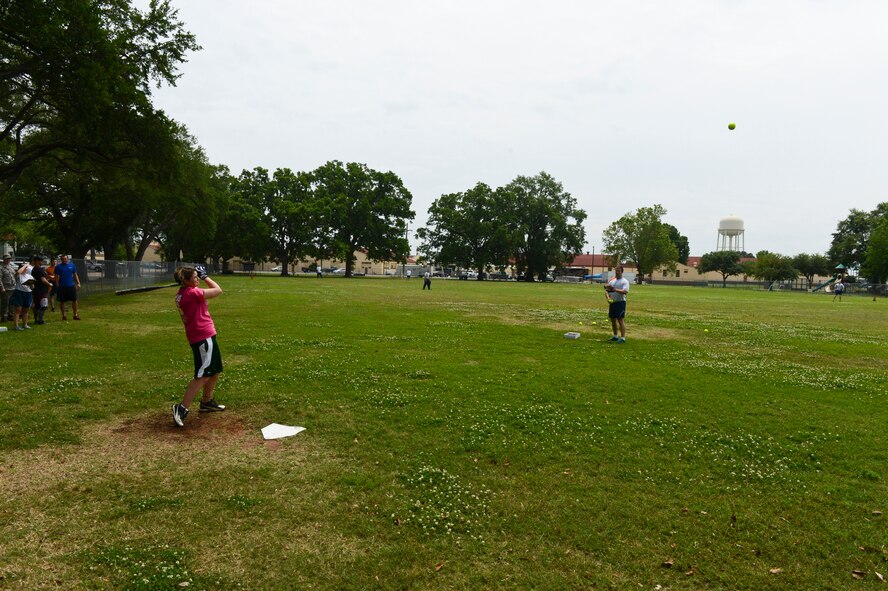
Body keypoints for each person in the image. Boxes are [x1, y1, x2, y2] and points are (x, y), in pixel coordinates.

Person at [171, 265, 226, 427]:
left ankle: (206, 402)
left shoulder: (181, 294)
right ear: (186, 281)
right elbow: (218, 290)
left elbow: (204, 290)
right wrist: (205, 277)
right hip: (203, 337)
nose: (197, 279)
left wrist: (197, 279)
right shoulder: (193, 293)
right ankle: (181, 408)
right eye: (195, 277)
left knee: (214, 370)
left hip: (201, 335)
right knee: (203, 374)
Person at [605, 265, 630, 344]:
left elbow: (625, 291)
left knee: (620, 320)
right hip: (613, 303)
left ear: (622, 272)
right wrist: (608, 298)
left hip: (620, 303)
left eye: (619, 271)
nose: (617, 272)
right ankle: (615, 336)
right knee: (613, 320)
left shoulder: (624, 281)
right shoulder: (612, 280)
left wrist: (615, 289)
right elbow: (606, 291)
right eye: (616, 270)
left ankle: (623, 338)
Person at [10, 259, 35, 330]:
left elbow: (33, 285)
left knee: (26, 310)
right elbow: (18, 272)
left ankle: (25, 324)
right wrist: (25, 265)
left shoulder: (29, 276)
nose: (26, 269)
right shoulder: (19, 275)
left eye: (26, 268)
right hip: (19, 292)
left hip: (28, 293)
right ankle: (16, 326)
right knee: (18, 309)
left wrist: (32, 285)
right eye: (25, 268)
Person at [55, 254, 81, 320]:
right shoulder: (58, 267)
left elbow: (75, 274)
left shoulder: (72, 265)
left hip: (71, 285)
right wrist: (57, 283)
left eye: (65, 259)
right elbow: (56, 276)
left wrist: (78, 283)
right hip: (62, 286)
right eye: (63, 259)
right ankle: (64, 316)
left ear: (67, 259)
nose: (64, 260)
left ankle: (75, 315)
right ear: (61, 260)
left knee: (74, 300)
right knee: (62, 301)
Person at [30, 256, 52, 325]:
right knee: (43, 305)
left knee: (37, 305)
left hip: (36, 289)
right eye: (41, 261)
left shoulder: (34, 269)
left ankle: (36, 320)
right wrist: (49, 284)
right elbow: (43, 280)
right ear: (37, 261)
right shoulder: (40, 269)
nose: (42, 262)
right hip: (41, 290)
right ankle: (41, 320)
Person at [1, 254, 16, 321]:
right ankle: (4, 317)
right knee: (5, 303)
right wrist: (2, 288)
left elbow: (14, 275)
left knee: (12, 303)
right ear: (3, 259)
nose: (8, 260)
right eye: (7, 259)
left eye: (9, 259)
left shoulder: (11, 267)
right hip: (6, 288)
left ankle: (11, 316)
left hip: (13, 287)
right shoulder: (1, 268)